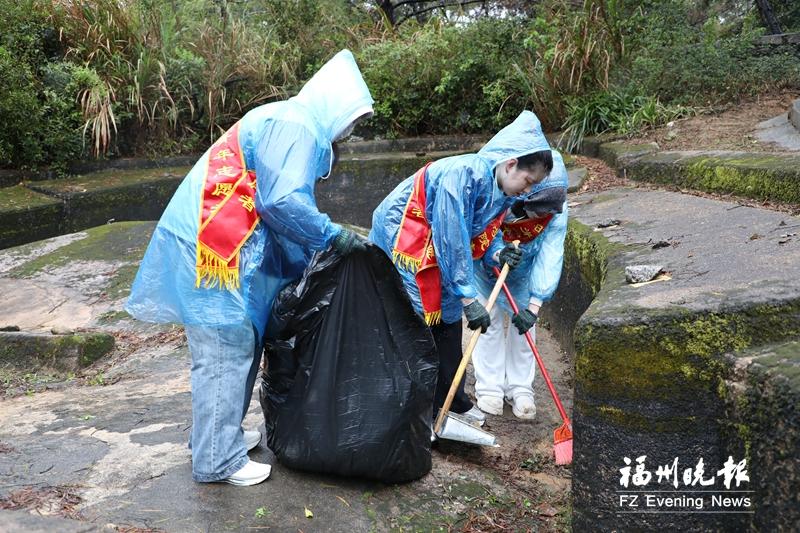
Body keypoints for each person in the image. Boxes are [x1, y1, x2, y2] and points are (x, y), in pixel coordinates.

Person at [125, 50, 374, 486]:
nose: (349, 133)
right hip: (213, 251)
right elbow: (282, 203)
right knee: (226, 348)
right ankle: (217, 461)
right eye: (351, 122)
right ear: (336, 107)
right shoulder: (297, 125)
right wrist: (330, 236)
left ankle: (218, 439)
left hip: (217, 247)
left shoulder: (289, 120)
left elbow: (274, 215)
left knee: (238, 344)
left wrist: (307, 262)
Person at [369, 110, 553, 430]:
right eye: (528, 181)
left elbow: (485, 231)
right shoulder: (463, 174)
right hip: (408, 236)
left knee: (449, 315)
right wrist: (471, 299)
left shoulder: (502, 189)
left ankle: (452, 399)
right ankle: (418, 407)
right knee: (421, 317)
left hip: (441, 242)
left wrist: (498, 253)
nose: (527, 191)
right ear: (511, 165)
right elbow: (452, 236)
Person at [471, 151, 569, 420]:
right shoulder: (499, 186)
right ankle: (488, 387)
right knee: (486, 319)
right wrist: (495, 252)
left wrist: (535, 304)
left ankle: (521, 388)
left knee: (524, 324)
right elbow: (478, 226)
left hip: (525, 272)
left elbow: (551, 251)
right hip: (486, 264)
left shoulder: (556, 203)